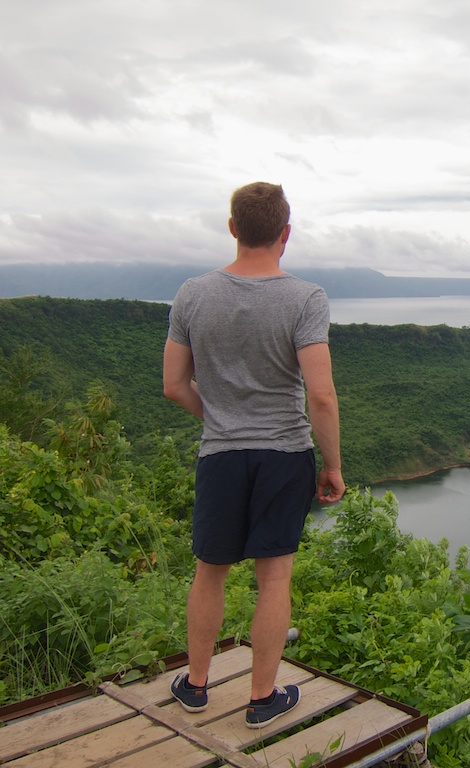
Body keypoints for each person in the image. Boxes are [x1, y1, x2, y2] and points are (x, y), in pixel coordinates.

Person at [162, 181, 345, 729]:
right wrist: (332, 465)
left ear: (233, 228)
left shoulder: (192, 293)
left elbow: (174, 384)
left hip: (220, 454)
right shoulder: (306, 298)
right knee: (274, 578)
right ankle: (261, 699)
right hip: (285, 454)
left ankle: (195, 685)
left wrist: (219, 417)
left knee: (209, 572)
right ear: (285, 234)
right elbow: (321, 395)